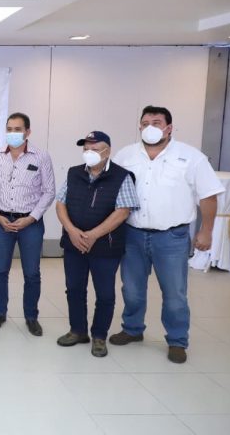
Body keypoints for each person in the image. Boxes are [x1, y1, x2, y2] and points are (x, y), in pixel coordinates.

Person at [110, 106, 224, 364]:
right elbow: (112, 190)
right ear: (139, 126)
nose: (150, 127)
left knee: (174, 293)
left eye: (157, 122)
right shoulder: (126, 155)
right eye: (145, 122)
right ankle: (132, 329)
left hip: (172, 238)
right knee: (132, 289)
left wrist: (206, 231)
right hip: (132, 234)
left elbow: (208, 196)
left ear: (169, 128)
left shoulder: (191, 157)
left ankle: (177, 340)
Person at [55, 131, 138, 358]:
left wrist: (93, 235)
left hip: (105, 247)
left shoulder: (121, 176)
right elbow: (60, 203)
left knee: (105, 294)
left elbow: (123, 211)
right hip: (74, 243)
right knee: (74, 289)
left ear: (107, 151)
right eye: (86, 148)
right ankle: (77, 330)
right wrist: (72, 231)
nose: (89, 152)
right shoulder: (74, 173)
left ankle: (99, 336)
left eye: (94, 148)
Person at [0, 113, 55, 336]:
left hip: (30, 223)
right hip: (1, 222)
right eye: (9, 129)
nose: (13, 133)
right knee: (0, 270)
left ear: (28, 132)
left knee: (32, 273)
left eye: (17, 129)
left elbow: (49, 191)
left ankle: (31, 317)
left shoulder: (41, 157)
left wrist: (31, 218)